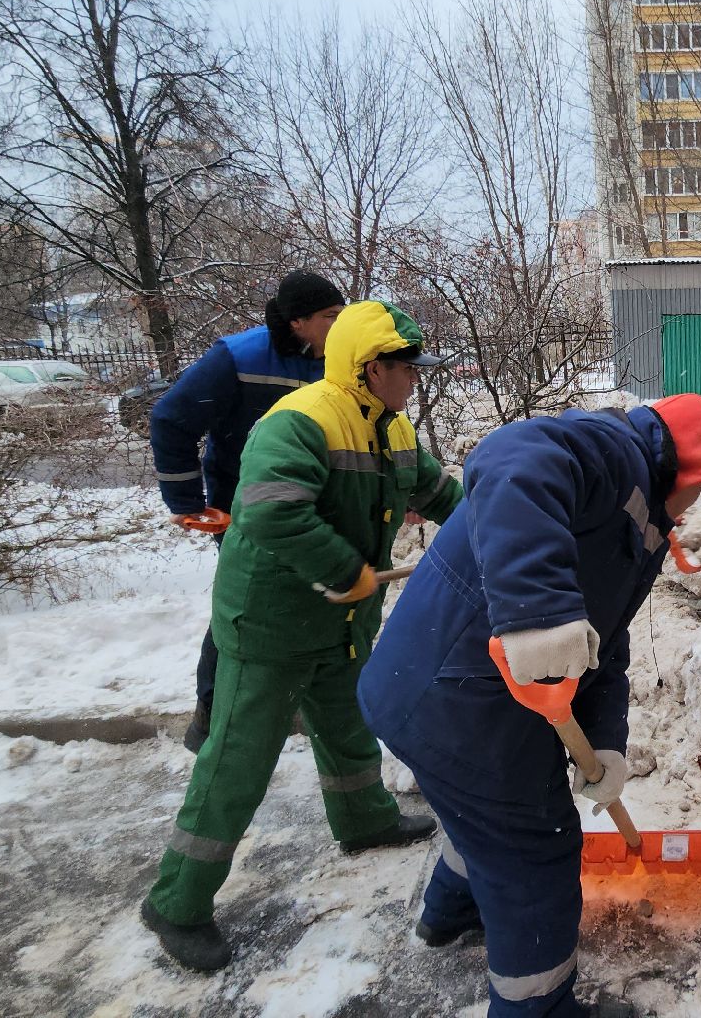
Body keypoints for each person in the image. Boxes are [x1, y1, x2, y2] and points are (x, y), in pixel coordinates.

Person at [356, 394, 701, 1018]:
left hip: (442, 694)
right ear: (688, 471)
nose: (699, 503)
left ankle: (453, 912)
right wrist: (537, 613)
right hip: (454, 699)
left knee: (483, 821)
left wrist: (607, 743)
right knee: (535, 848)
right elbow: (508, 456)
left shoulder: (642, 528)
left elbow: (606, 647)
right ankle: (537, 1006)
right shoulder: (613, 451)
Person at [140, 298, 465, 973]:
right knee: (238, 760)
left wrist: (497, 522)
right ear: (372, 367)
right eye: (408, 369)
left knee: (348, 720)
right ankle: (176, 900)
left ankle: (365, 819)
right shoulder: (300, 421)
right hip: (271, 620)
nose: (415, 380)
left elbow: (439, 495)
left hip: (340, 619)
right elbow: (269, 514)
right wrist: (346, 569)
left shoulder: (395, 431)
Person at [150, 270, 346, 751]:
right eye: (330, 316)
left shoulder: (337, 360)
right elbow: (171, 418)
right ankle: (211, 718)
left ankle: (302, 711)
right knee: (246, 611)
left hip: (316, 511)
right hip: (247, 513)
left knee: (313, 605)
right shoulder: (239, 357)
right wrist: (187, 504)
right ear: (298, 321)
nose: (339, 325)